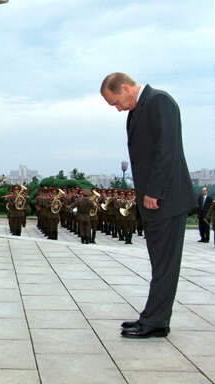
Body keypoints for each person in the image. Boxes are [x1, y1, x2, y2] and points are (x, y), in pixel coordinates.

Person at [101, 72, 195, 338]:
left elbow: (168, 149)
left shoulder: (159, 101)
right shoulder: (138, 109)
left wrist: (154, 190)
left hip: (165, 199)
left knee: (165, 265)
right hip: (154, 202)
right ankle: (153, 318)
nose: (118, 108)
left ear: (127, 88)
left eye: (116, 102)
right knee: (159, 264)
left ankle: (155, 322)